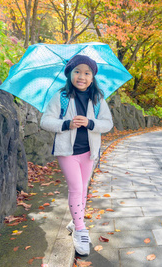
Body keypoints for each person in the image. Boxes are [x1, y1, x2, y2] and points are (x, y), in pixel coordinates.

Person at [40, 55, 113, 256]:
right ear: (70, 74)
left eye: (87, 73)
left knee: (83, 189)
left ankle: (76, 220)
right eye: (77, 72)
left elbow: (108, 124)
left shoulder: (97, 99)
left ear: (93, 77)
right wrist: (66, 124)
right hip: (67, 152)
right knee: (76, 187)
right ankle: (80, 230)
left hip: (89, 152)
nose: (82, 76)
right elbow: (45, 121)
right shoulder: (61, 96)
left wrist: (90, 122)